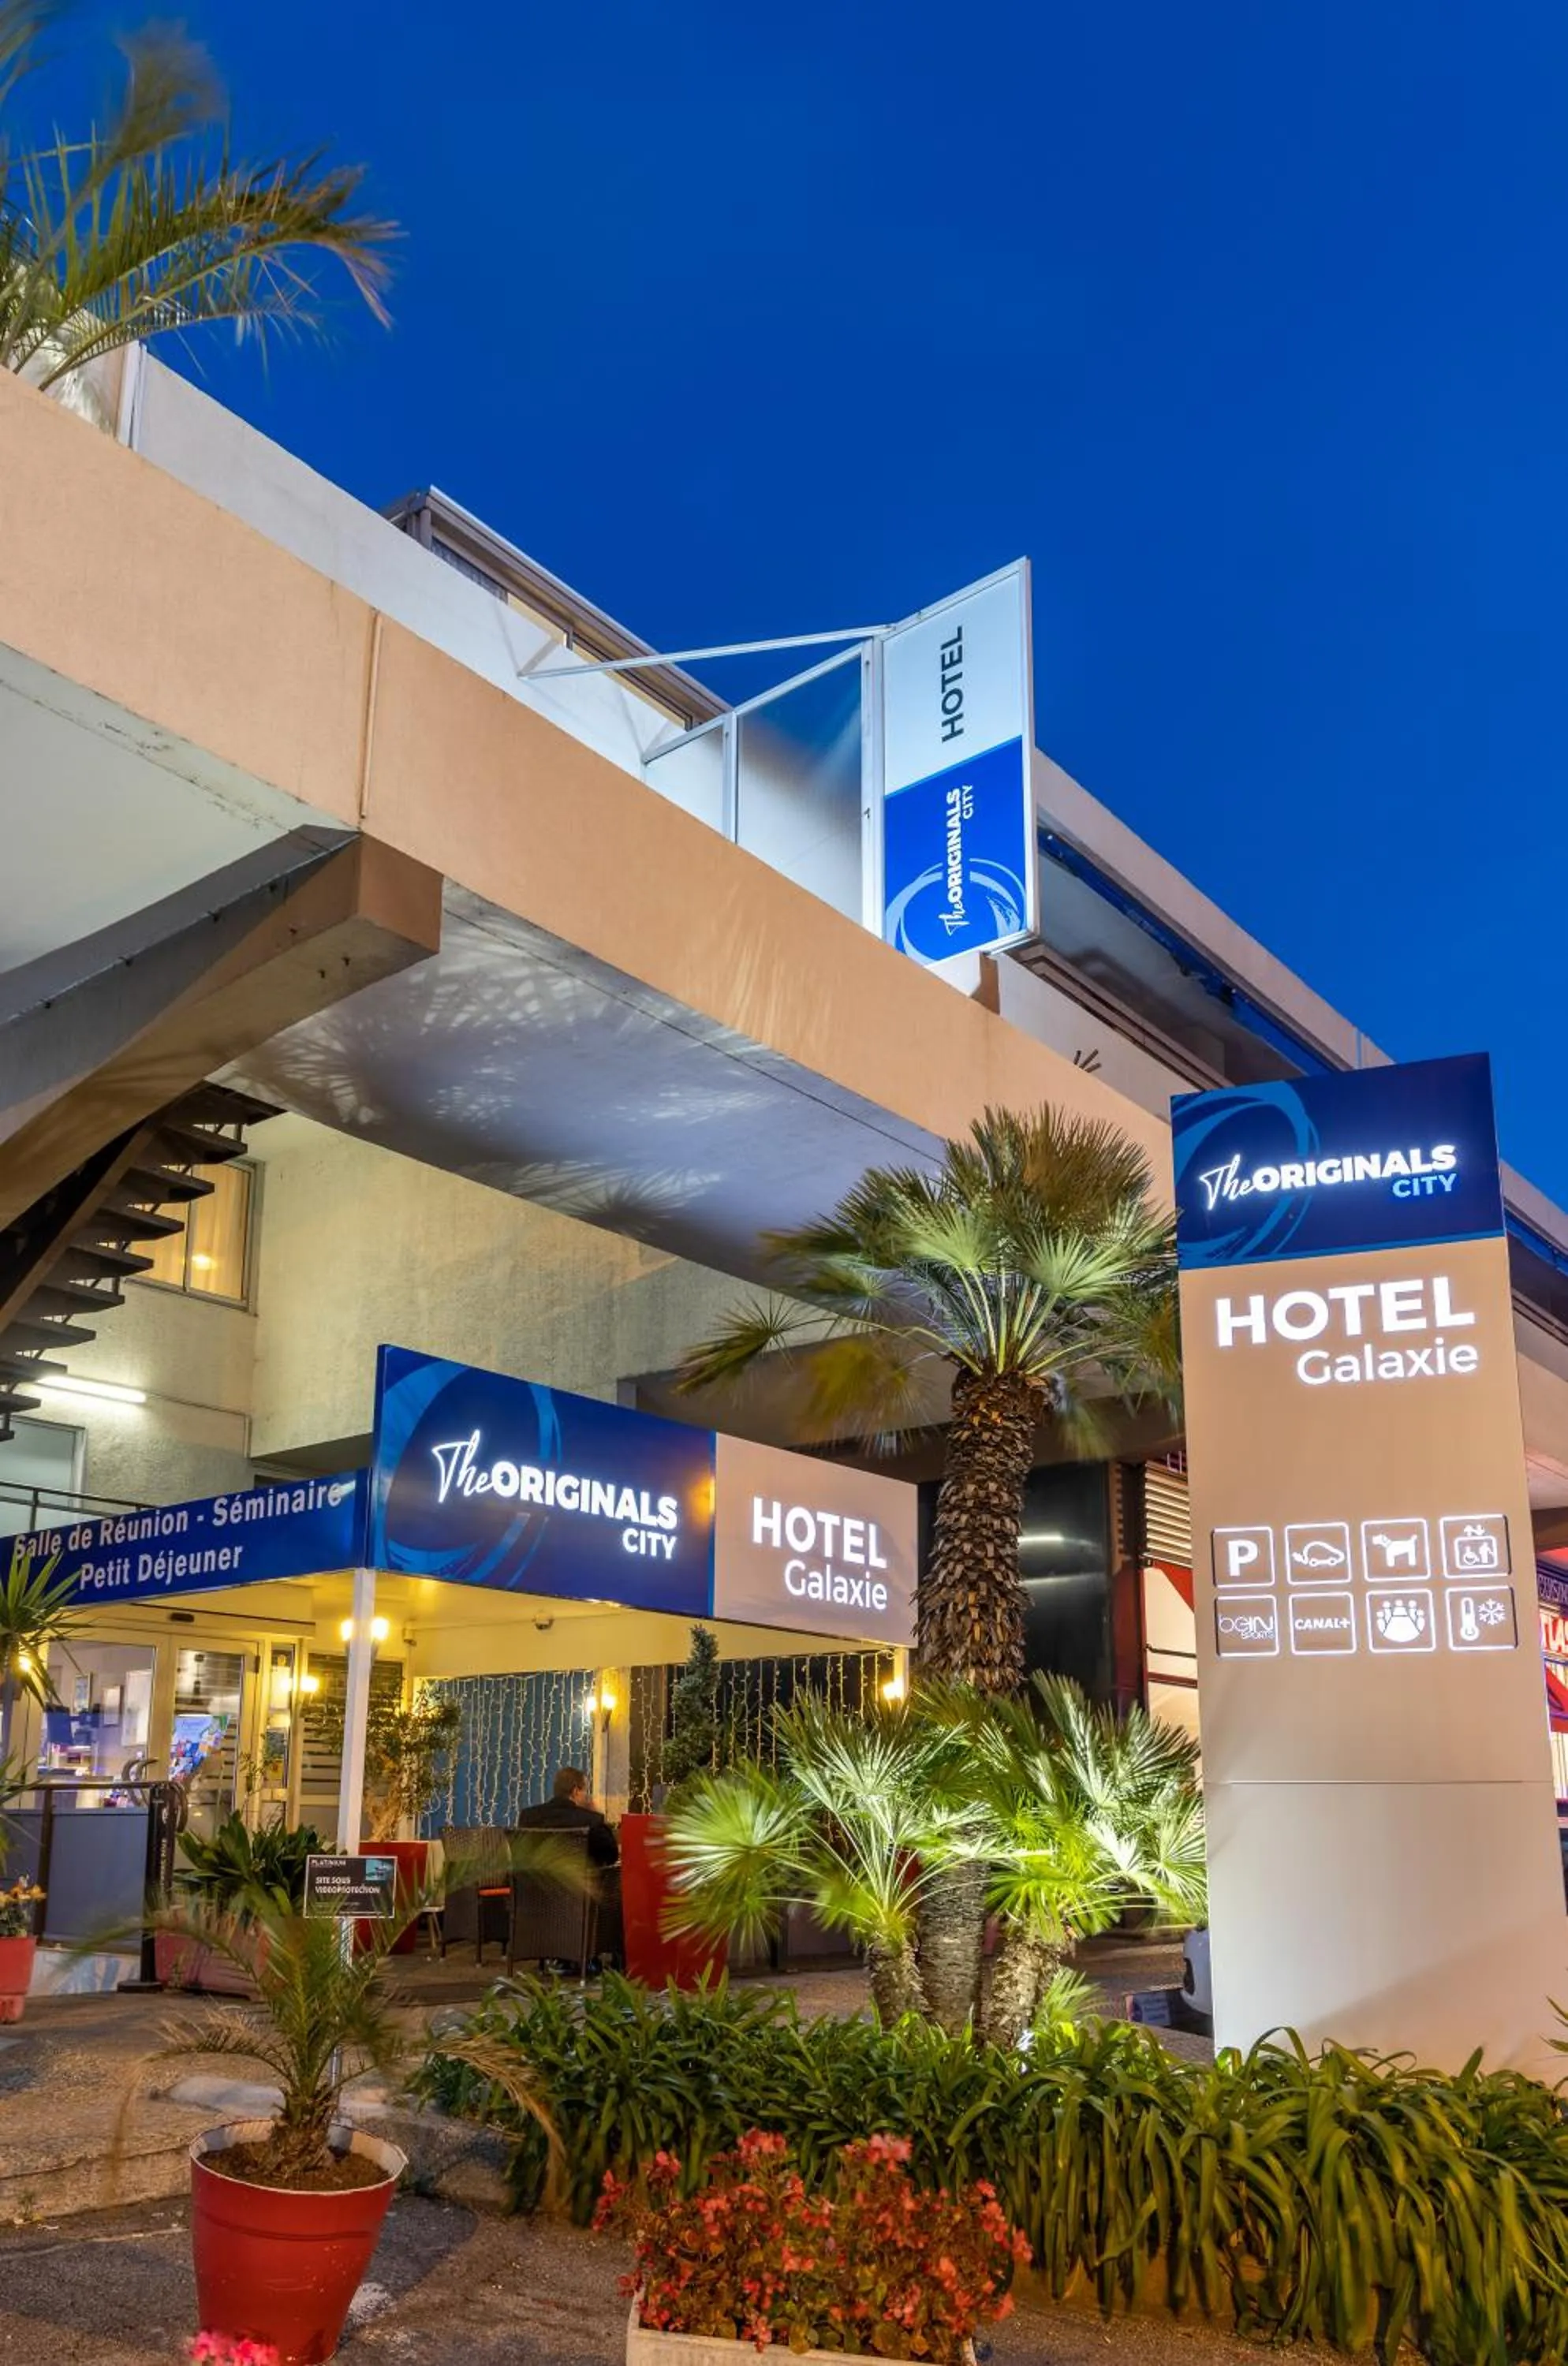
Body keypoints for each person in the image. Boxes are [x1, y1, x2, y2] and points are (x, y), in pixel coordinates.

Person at [513, 1765, 619, 1870]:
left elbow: (521, 1857)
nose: (586, 1796)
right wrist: (595, 1812)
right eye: (585, 1791)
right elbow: (611, 1856)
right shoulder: (592, 1820)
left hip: (533, 1885)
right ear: (576, 1791)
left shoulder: (528, 1816)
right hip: (577, 1886)